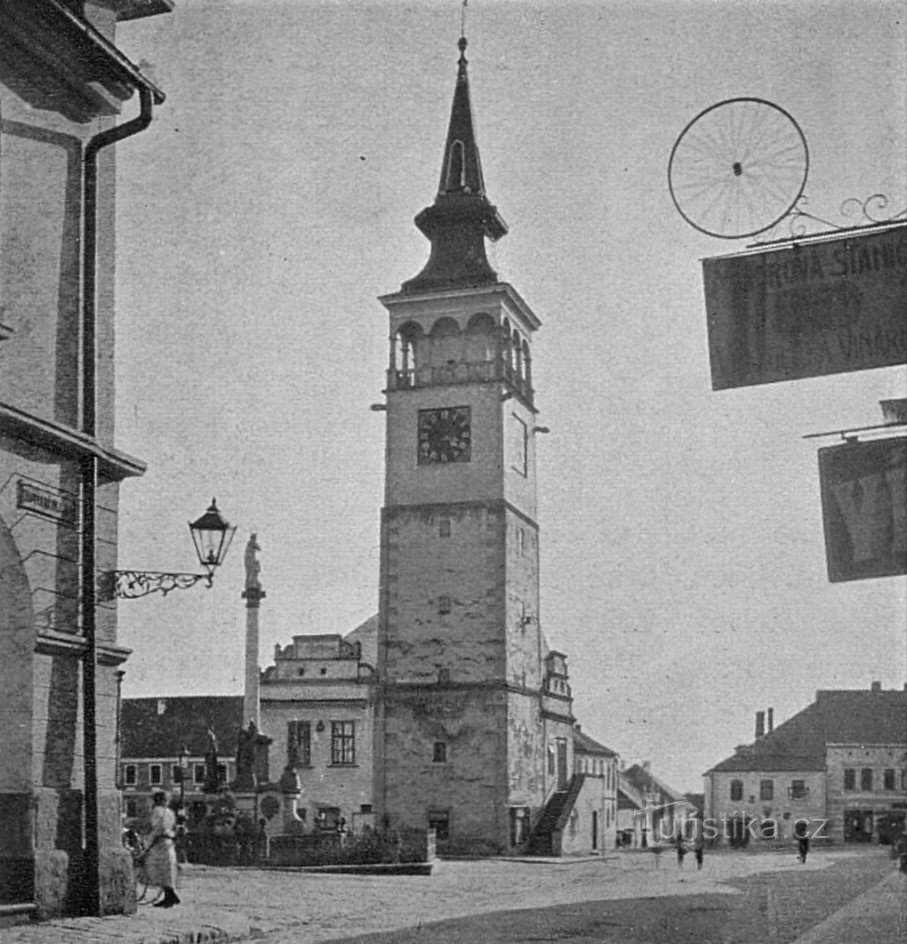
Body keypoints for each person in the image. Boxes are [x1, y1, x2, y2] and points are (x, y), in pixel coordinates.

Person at [144, 790, 180, 907]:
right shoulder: (170, 812)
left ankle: (171, 896)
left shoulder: (157, 811)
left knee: (157, 869)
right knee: (168, 870)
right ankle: (169, 896)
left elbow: (156, 829)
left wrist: (147, 845)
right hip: (169, 842)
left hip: (159, 843)